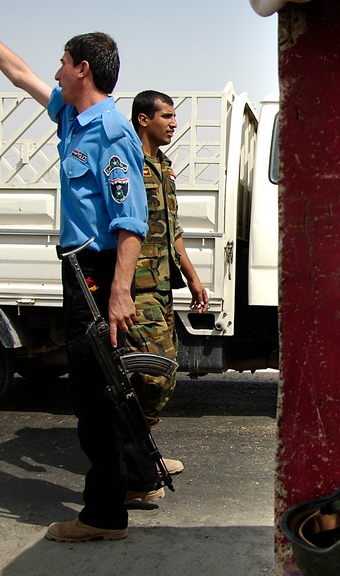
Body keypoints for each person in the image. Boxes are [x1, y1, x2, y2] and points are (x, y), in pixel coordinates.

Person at [0, 0, 162, 542]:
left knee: (93, 393)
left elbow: (131, 220)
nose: (56, 70)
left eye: (63, 62)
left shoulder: (112, 131)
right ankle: (137, 480)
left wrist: (117, 292)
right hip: (81, 267)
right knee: (108, 383)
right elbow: (19, 73)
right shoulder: (71, 114)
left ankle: (103, 516)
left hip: (96, 270)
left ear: (83, 68)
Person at [125, 91, 209, 431]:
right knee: (156, 372)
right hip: (135, 288)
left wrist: (192, 277)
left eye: (174, 117)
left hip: (160, 286)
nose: (174, 123)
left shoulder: (163, 167)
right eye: (166, 116)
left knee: (164, 371)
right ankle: (130, 452)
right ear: (144, 119)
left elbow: (172, 227)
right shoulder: (127, 162)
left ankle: (136, 451)